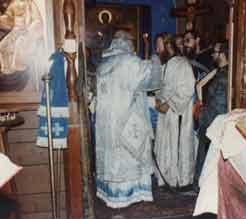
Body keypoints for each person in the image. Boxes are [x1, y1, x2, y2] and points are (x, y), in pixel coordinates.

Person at [95, 30, 160, 208]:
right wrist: (155, 59)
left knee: (113, 157)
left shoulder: (104, 64)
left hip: (108, 125)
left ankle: (112, 195)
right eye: (132, 41)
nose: (133, 44)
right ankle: (130, 195)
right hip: (127, 121)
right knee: (129, 158)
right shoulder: (130, 62)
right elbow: (152, 82)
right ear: (126, 42)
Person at [154, 32, 196, 188]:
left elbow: (187, 89)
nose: (157, 50)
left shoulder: (182, 64)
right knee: (165, 144)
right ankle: (167, 178)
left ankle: (180, 180)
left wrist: (169, 104)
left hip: (178, 113)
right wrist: (159, 99)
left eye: (158, 46)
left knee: (177, 144)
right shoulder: (165, 65)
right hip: (166, 115)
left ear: (168, 45)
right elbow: (162, 87)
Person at [193, 42, 229, 191]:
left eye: (215, 52)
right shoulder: (219, 72)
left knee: (209, 163)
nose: (212, 55)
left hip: (214, 122)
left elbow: (219, 105)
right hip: (210, 120)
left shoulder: (224, 77)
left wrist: (201, 114)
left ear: (222, 54)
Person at [0, 0, 43, 75]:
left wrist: (29, 30)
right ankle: (7, 68)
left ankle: (19, 66)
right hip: (16, 31)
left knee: (19, 43)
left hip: (27, 32)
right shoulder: (13, 4)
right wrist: (1, 20)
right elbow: (8, 17)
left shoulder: (30, 4)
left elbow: (38, 20)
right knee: (2, 46)